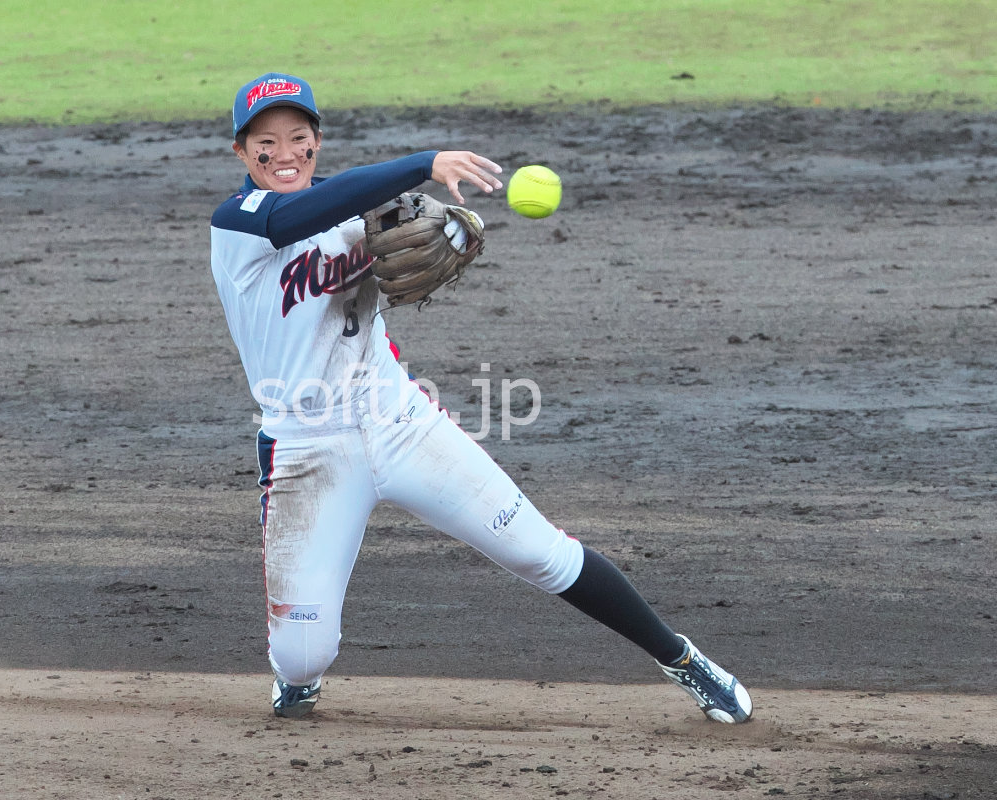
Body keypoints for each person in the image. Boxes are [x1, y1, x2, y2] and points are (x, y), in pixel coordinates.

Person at [209, 73, 752, 724]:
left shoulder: (359, 208)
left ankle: (684, 659)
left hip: (399, 422)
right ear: (241, 153)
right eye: (266, 143)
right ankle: (298, 681)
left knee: (539, 551)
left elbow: (402, 222)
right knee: (301, 653)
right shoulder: (237, 225)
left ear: (318, 141)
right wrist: (424, 166)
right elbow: (297, 217)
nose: (285, 152)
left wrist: (457, 230)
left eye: (299, 137)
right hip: (305, 453)